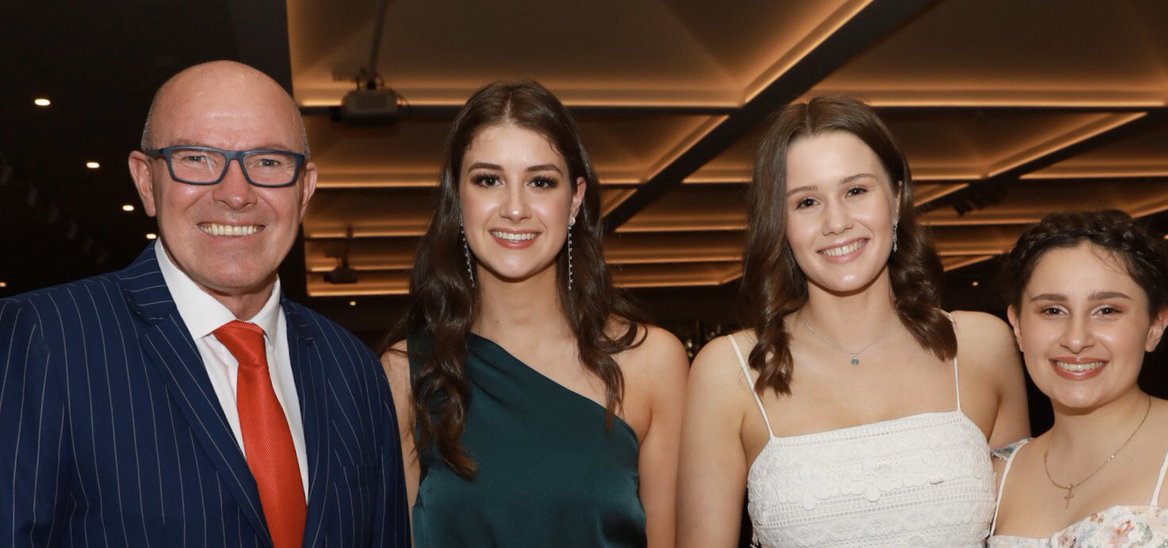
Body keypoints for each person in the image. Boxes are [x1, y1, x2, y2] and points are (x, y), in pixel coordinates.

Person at [0, 61, 409, 547]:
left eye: (268, 162)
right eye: (196, 158)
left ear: (304, 190)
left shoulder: (354, 370)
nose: (236, 194)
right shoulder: (46, 338)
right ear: (146, 182)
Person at [677, 95, 1030, 547]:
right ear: (779, 223)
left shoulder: (982, 346)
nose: (836, 222)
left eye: (856, 191)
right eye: (807, 202)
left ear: (897, 199)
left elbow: (1023, 530)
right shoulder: (729, 371)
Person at [381, 80, 688, 548]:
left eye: (540, 182)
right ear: (457, 197)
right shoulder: (406, 373)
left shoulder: (652, 364)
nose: (515, 209)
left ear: (575, 199)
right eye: (488, 180)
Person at [988, 210, 1168, 546]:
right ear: (1018, 326)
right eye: (1052, 310)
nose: (1076, 339)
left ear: (1155, 326)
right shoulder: (997, 477)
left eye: (1107, 311)